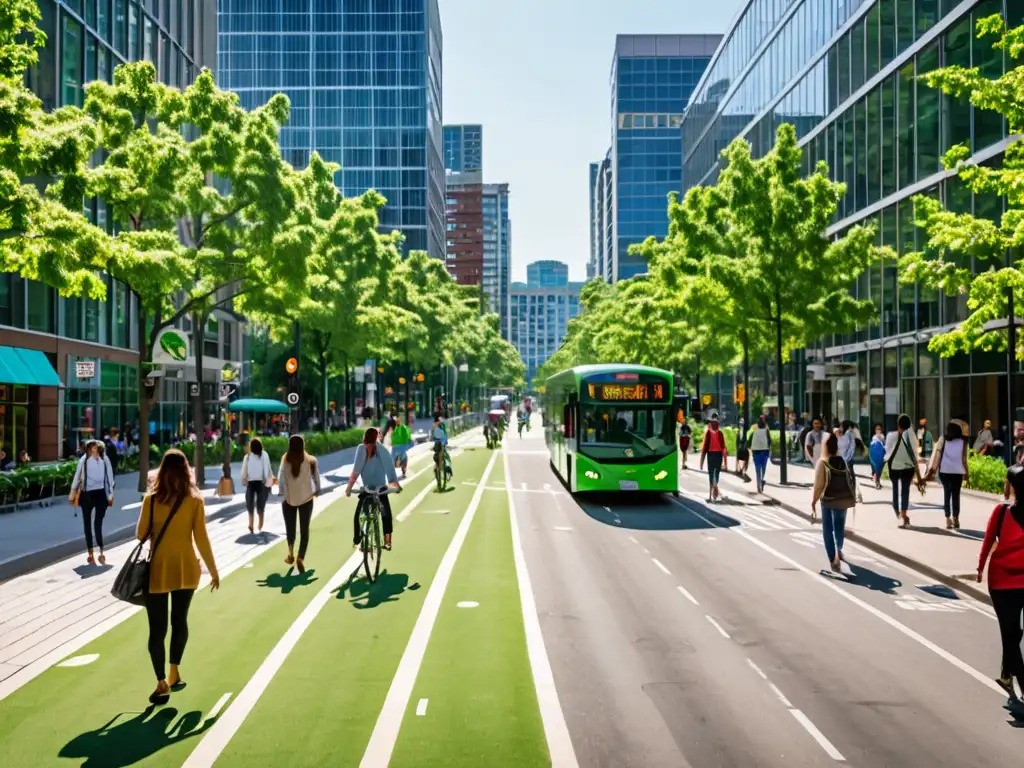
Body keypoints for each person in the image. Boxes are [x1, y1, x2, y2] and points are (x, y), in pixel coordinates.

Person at [136, 449, 219, 705]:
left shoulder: (150, 500)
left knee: (157, 629)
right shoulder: (195, 501)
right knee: (179, 621)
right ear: (186, 471)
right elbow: (201, 538)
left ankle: (160, 680)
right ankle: (174, 671)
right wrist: (213, 571)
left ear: (161, 471)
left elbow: (140, 534)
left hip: (158, 570)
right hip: (186, 569)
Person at [977, 465, 1024, 706]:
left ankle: (1022, 680)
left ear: (1012, 486)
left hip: (1001, 582)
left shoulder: (1002, 511)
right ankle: (1007, 676)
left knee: (1010, 634)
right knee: (1013, 633)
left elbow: (987, 541)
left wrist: (980, 567)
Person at [346, 428, 401, 550]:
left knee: (385, 513)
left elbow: (390, 470)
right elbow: (355, 471)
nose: (369, 447)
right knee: (358, 515)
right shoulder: (361, 449)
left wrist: (395, 484)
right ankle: (358, 539)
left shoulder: (381, 450)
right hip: (367, 489)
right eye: (367, 444)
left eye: (371, 444)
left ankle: (387, 541)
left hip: (380, 488)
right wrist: (349, 487)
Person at [811, 433, 856, 573]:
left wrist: (813, 501)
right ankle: (839, 550)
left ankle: (833, 559)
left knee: (828, 530)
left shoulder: (822, 462)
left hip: (829, 501)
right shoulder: (841, 460)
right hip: (843, 499)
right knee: (839, 527)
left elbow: (819, 486)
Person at [277, 435, 321, 574]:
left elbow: (281, 478)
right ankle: (300, 557)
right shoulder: (311, 460)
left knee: (290, 530)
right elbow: (317, 479)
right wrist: (317, 491)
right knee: (304, 530)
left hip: (289, 500)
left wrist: (281, 492)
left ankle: (290, 553)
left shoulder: (285, 459)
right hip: (306, 499)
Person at [69, 440, 115, 565]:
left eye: (96, 449)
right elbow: (77, 477)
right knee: (87, 524)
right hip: (87, 494)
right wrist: (72, 493)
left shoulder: (105, 460)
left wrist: (110, 494)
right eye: (91, 449)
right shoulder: (83, 461)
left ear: (100, 450)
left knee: (98, 522)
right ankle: (90, 553)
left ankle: (101, 550)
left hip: (100, 494)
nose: (93, 451)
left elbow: (110, 479)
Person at [928, 421, 969, 530]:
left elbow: (938, 454)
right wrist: (966, 473)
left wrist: (933, 470)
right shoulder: (963, 442)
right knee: (956, 495)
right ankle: (956, 518)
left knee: (947, 493)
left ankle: (947, 518)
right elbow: (964, 459)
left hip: (945, 471)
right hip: (957, 472)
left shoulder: (943, 440)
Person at [885, 413, 922, 528]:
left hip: (894, 467)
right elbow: (915, 453)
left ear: (898, 424)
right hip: (908, 467)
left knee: (895, 488)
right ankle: (904, 514)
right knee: (905, 490)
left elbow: (887, 451)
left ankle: (897, 510)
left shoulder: (891, 436)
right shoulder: (912, 436)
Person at [241, 437, 273, 535]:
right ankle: (258, 524)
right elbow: (267, 468)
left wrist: (244, 480)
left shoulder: (251, 456)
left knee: (251, 504)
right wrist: (268, 479)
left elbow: (244, 470)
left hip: (255, 482)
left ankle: (253, 524)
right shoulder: (251, 456)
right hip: (259, 482)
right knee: (260, 504)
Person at [699, 413, 728, 502]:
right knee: (717, 473)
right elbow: (723, 447)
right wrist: (726, 462)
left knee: (711, 473)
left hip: (711, 455)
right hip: (719, 455)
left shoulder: (708, 433)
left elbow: (705, 447)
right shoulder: (720, 433)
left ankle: (711, 493)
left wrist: (701, 462)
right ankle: (715, 489)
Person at [837, 420, 864, 504]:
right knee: (849, 477)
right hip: (844, 458)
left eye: (841, 426)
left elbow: (851, 447)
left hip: (847, 459)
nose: (840, 427)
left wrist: (847, 458)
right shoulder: (844, 434)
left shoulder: (849, 433)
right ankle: (855, 495)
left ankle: (854, 495)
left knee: (850, 477)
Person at [749, 416, 772, 493]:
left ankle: (758, 484)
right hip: (765, 451)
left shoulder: (754, 432)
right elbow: (769, 441)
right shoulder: (766, 431)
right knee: (763, 467)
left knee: (757, 468)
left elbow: (749, 441)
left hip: (756, 451)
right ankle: (762, 480)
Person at [431, 414, 451, 480]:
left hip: (440, 442)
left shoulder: (439, 426)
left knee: (441, 455)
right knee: (442, 455)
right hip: (440, 443)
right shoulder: (439, 426)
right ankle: (440, 467)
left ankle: (439, 467)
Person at [869, 424, 886, 490]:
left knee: (879, 470)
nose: (878, 430)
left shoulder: (882, 436)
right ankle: (877, 483)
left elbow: (884, 444)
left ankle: (878, 482)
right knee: (877, 470)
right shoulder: (874, 437)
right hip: (876, 456)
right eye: (877, 429)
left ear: (881, 430)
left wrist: (881, 439)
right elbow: (873, 446)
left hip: (881, 455)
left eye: (879, 429)